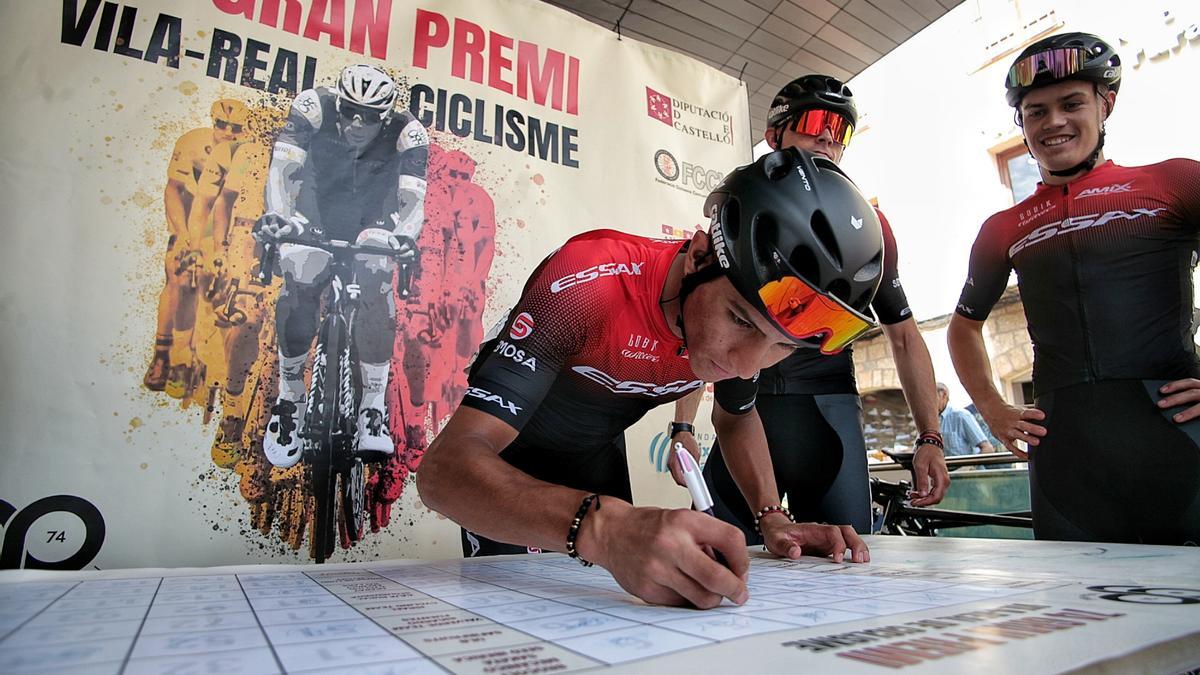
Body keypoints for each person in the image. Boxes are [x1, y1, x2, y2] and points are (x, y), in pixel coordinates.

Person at [418, 148, 880, 610]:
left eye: (782, 345)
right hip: (505, 460)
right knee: (510, 616)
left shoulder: (735, 334)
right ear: (699, 257)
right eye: (741, 321)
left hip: (595, 454)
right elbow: (443, 472)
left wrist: (772, 517)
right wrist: (601, 527)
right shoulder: (588, 285)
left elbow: (736, 418)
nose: (746, 366)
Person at [948, 32, 1200, 545]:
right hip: (1066, 458)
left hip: (1178, 440)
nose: (1054, 122)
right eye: (1036, 111)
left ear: (1106, 105)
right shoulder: (1006, 226)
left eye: (1071, 104)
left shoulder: (1174, 181)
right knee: (1081, 611)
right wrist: (993, 408)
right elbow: (962, 330)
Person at [672, 75, 949, 541]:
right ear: (774, 134)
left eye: (840, 131)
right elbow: (700, 324)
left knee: (847, 568)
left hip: (827, 415)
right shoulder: (742, 202)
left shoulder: (868, 223)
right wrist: (681, 423)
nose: (827, 137)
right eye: (816, 122)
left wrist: (930, 436)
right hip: (745, 412)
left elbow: (903, 334)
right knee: (724, 567)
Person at [257, 64, 429, 470]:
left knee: (375, 280)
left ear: (384, 117)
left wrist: (403, 238)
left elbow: (411, 202)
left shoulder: (409, 133)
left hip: (374, 218)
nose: (356, 122)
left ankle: (372, 404)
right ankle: (289, 396)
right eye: (350, 110)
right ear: (339, 101)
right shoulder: (313, 106)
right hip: (313, 206)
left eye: (368, 116)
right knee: (300, 274)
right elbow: (283, 172)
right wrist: (281, 217)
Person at [143, 99, 249, 398]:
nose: (227, 133)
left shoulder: (248, 151)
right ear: (211, 122)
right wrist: (181, 235)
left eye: (236, 128)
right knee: (179, 276)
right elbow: (173, 190)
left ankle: (213, 362)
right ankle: (167, 354)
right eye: (221, 125)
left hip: (229, 220)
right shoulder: (192, 142)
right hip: (193, 215)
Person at [936, 382, 994, 458]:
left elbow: (988, 449)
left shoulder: (961, 416)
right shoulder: (930, 420)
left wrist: (969, 467)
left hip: (966, 467)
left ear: (943, 395)